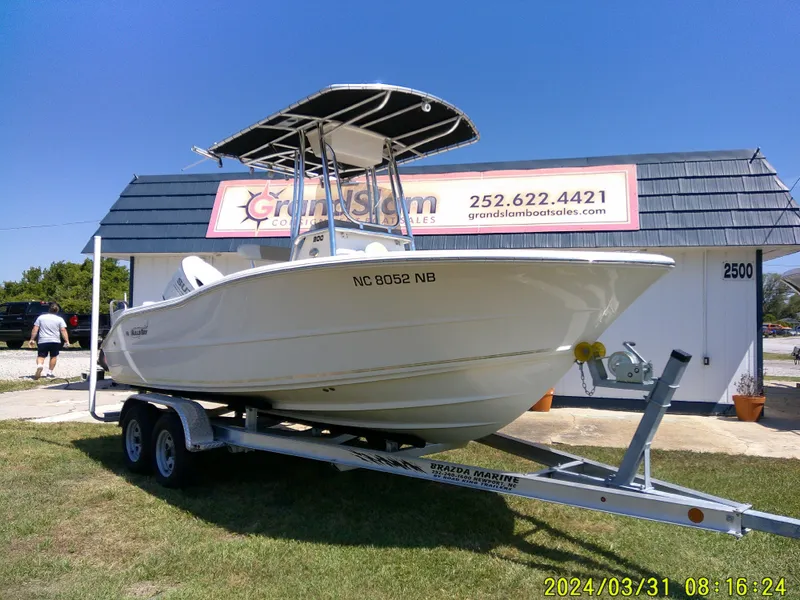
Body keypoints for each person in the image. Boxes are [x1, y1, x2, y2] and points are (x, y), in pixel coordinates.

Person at [28, 302, 70, 380]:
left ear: (49, 309)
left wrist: (32, 339)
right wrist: (67, 341)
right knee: (53, 356)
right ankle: (49, 373)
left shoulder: (41, 317)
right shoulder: (59, 319)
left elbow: (35, 329)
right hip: (55, 341)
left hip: (43, 340)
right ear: (57, 311)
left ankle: (40, 365)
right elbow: (63, 330)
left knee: (41, 356)